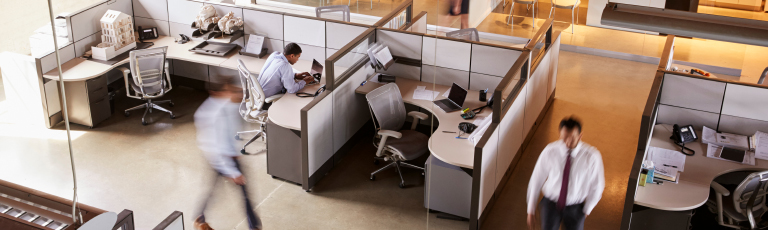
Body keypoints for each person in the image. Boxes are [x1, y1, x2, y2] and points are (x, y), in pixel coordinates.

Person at [194, 77, 262, 230]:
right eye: (229, 90)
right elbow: (216, 149)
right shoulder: (212, 115)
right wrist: (232, 172)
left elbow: (233, 130)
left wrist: (236, 150)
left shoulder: (228, 104)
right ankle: (254, 227)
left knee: (214, 190)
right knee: (242, 194)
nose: (234, 94)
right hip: (220, 158)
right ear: (216, 92)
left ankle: (200, 217)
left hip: (229, 155)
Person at [526, 117, 605, 230]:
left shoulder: (592, 157)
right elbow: (536, 180)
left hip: (575, 208)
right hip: (550, 204)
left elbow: (597, 186)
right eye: (564, 138)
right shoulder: (550, 151)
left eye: (572, 138)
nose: (567, 142)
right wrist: (530, 210)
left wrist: (586, 210)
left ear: (580, 136)